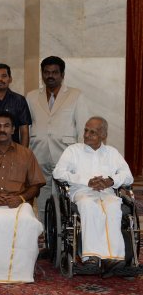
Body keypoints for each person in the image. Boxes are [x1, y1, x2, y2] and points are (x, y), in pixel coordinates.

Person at [53, 116, 133, 277]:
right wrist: (85, 181)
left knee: (113, 208)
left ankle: (113, 258)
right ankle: (91, 258)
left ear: (103, 135)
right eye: (86, 130)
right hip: (82, 193)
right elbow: (58, 172)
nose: (87, 135)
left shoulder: (112, 153)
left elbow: (128, 176)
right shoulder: (73, 151)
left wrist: (111, 181)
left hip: (107, 193)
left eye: (93, 132)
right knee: (89, 207)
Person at [0, 111, 45, 283]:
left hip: (18, 201)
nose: (2, 130)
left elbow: (36, 184)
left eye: (6, 126)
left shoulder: (26, 154)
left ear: (13, 130)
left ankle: (22, 272)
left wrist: (21, 198)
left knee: (27, 221)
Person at [26, 56, 88, 222]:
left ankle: (62, 232)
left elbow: (82, 127)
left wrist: (82, 157)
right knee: (41, 194)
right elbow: (28, 126)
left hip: (65, 154)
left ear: (62, 74)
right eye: (46, 72)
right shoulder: (31, 96)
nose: (50, 76)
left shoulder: (76, 95)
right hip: (39, 153)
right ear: (42, 74)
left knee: (63, 196)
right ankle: (47, 233)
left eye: (54, 72)